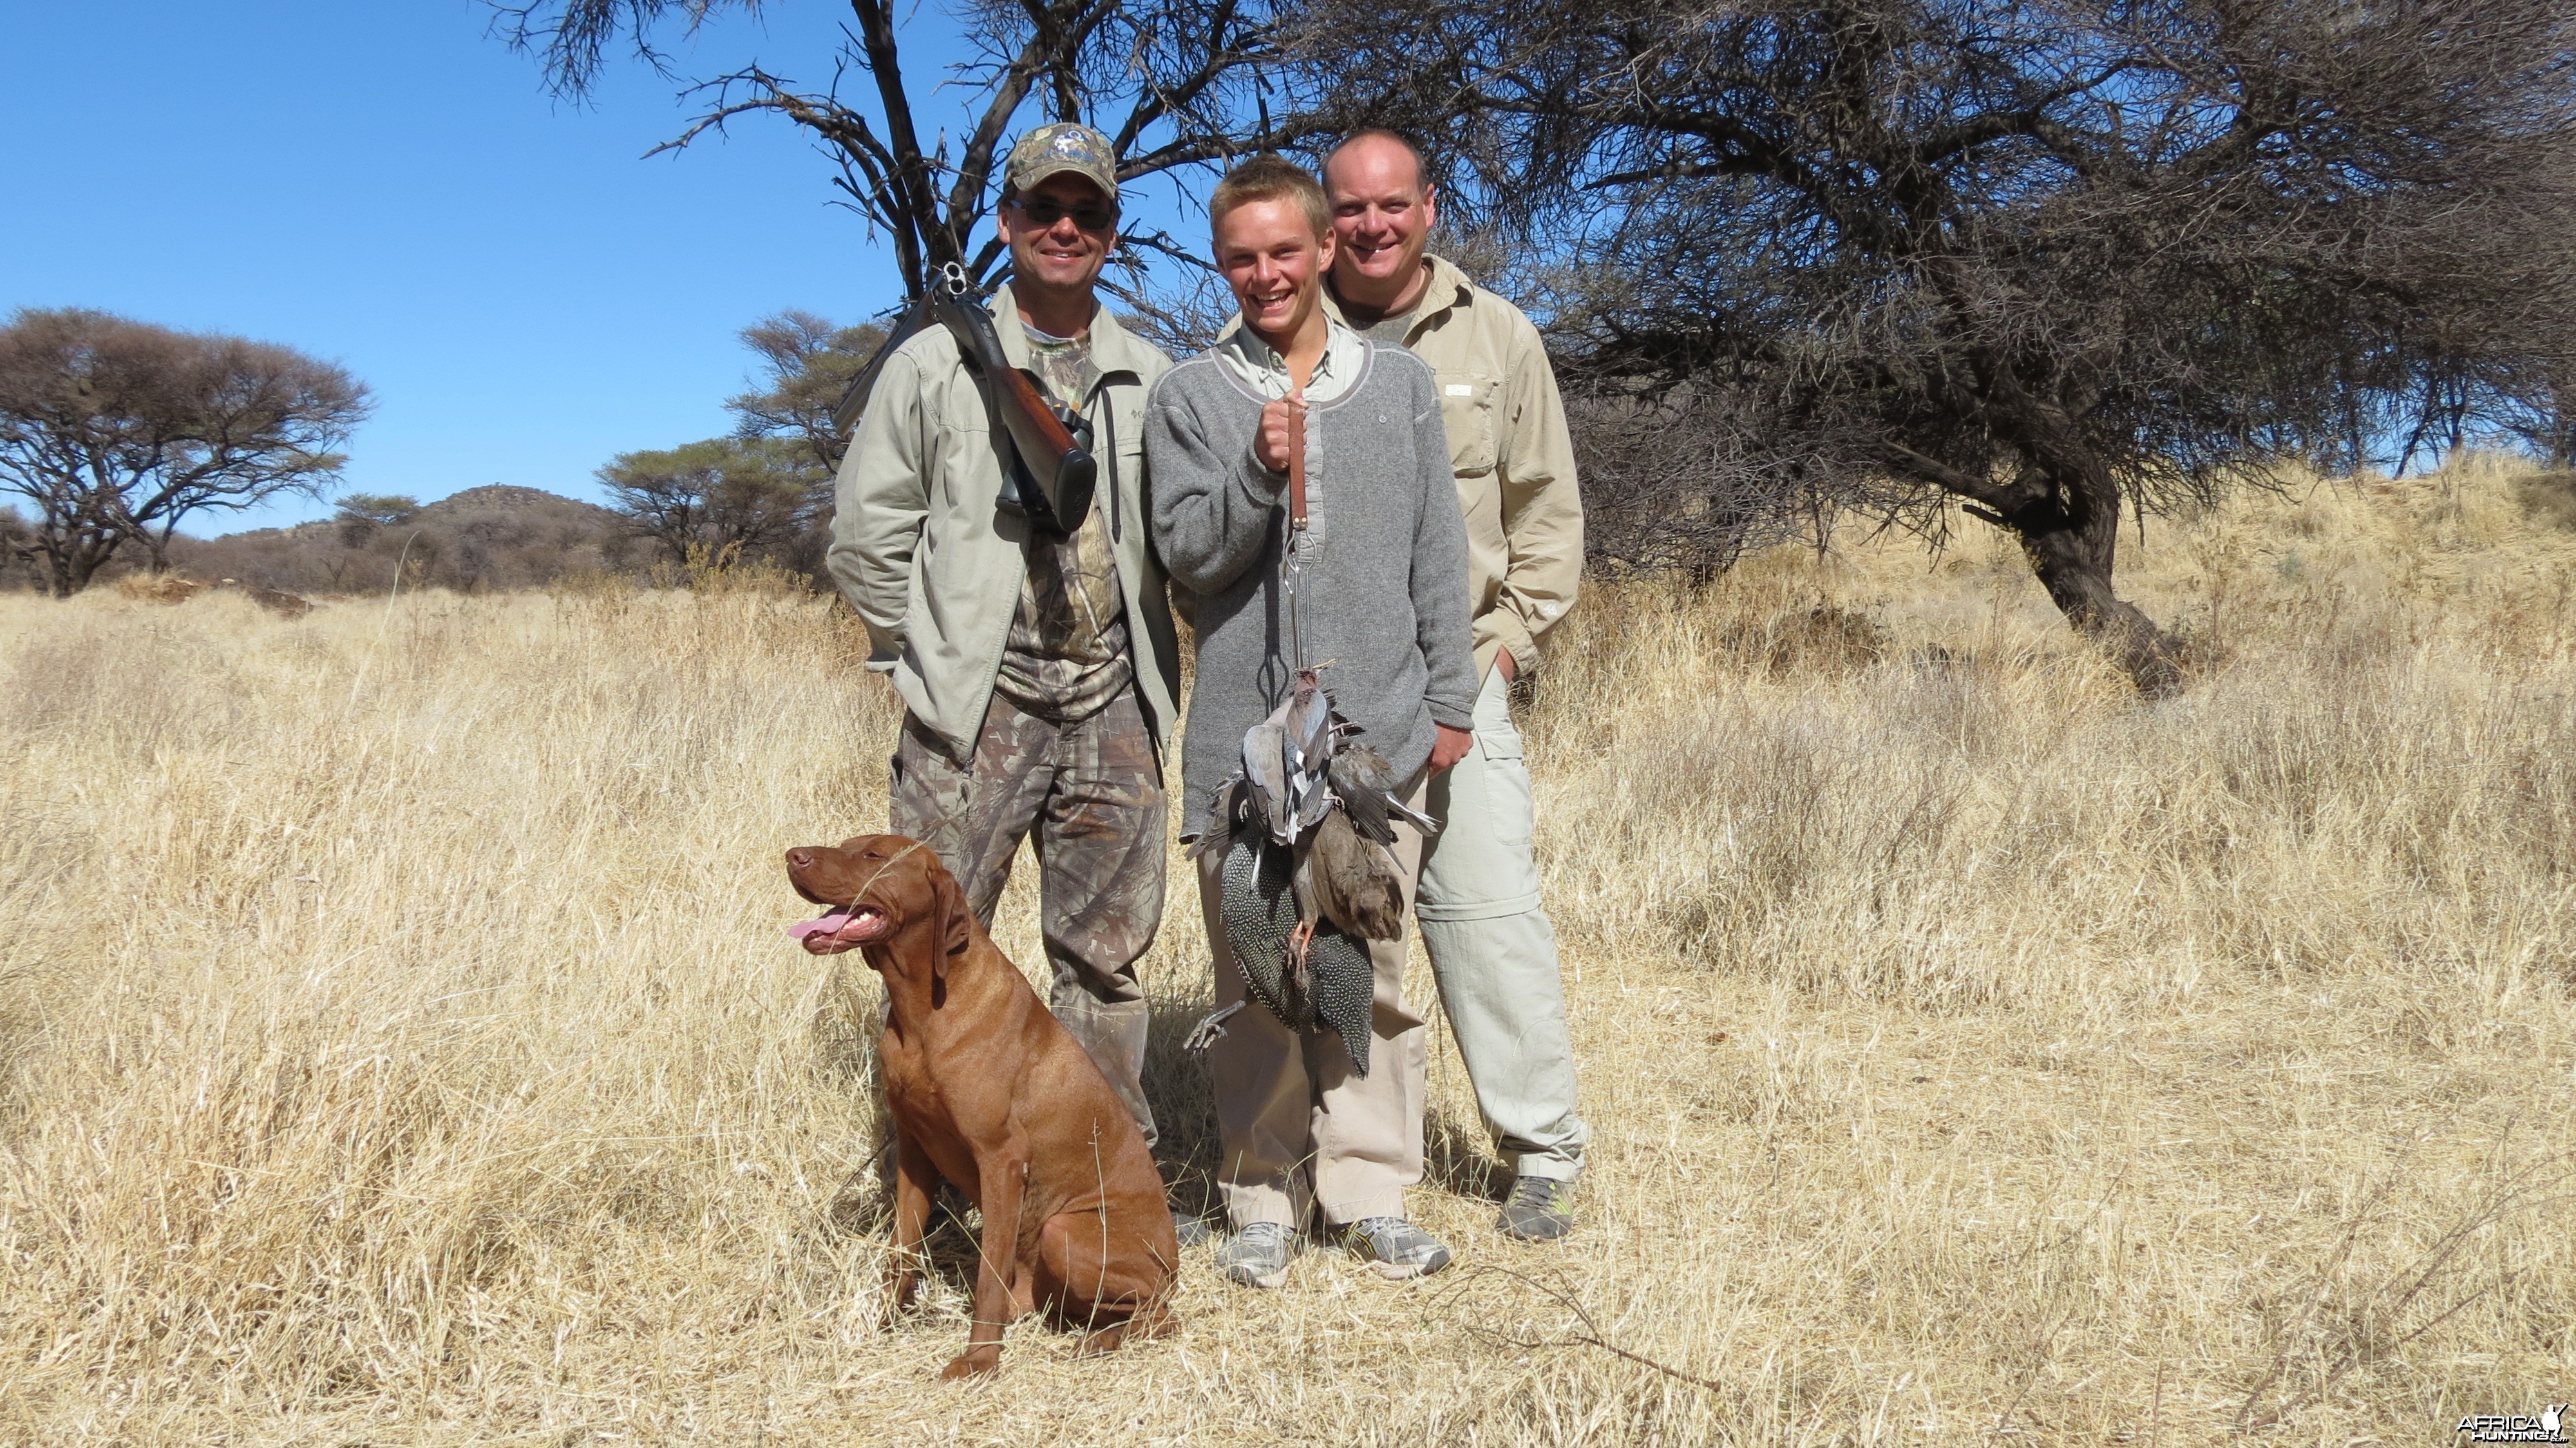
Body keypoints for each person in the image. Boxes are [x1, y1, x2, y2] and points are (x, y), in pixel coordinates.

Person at [812, 122, 1194, 1230]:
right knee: (923, 955)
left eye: (1089, 213)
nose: (1065, 229)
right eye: (1044, 210)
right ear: (1008, 224)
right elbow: (866, 536)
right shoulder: (936, 364)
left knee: (1108, 967)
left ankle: (1100, 1197)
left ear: (1113, 234)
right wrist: (925, 652)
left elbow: (1178, 539)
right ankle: (927, 1210)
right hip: (973, 711)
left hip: (1113, 701)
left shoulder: (1152, 376)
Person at [1148, 155, 1477, 1289]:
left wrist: (1452, 704)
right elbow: (1189, 559)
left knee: (1368, 968)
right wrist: (1254, 470)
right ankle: (1259, 1196)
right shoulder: (1189, 396)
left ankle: (1373, 1190)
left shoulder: (1400, 389)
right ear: (1220, 263)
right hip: (1242, 747)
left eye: (1285, 250)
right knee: (1256, 977)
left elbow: (1439, 555)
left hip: (1375, 734)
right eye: (1241, 257)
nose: (1266, 274)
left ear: (1325, 248)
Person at [1319, 129, 1593, 1241]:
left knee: (1484, 917)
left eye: (1393, 204)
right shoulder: (1282, 325)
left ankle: (1542, 1152)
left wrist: (1502, 655)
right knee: (1333, 922)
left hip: (1459, 668)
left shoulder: (1500, 333)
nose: (1372, 226)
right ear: (1324, 214)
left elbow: (1548, 515)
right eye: (1350, 208)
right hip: (1326, 685)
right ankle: (1335, 1163)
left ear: (1430, 207)